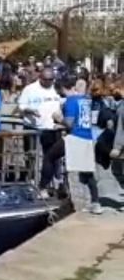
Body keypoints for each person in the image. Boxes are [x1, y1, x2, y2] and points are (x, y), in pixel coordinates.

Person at [54, 79, 100, 213]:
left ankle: (75, 202)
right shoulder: (87, 100)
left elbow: (69, 123)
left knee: (60, 162)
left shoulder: (72, 101)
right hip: (88, 137)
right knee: (87, 172)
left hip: (76, 137)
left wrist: (58, 119)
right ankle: (95, 202)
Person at [21, 68, 66, 197]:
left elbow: (62, 102)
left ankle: (48, 184)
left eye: (51, 79)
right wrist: (31, 110)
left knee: (50, 157)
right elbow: (21, 106)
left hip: (51, 128)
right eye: (46, 80)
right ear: (40, 78)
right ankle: (30, 180)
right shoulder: (29, 89)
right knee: (31, 156)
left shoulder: (55, 89)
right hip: (33, 127)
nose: (48, 82)